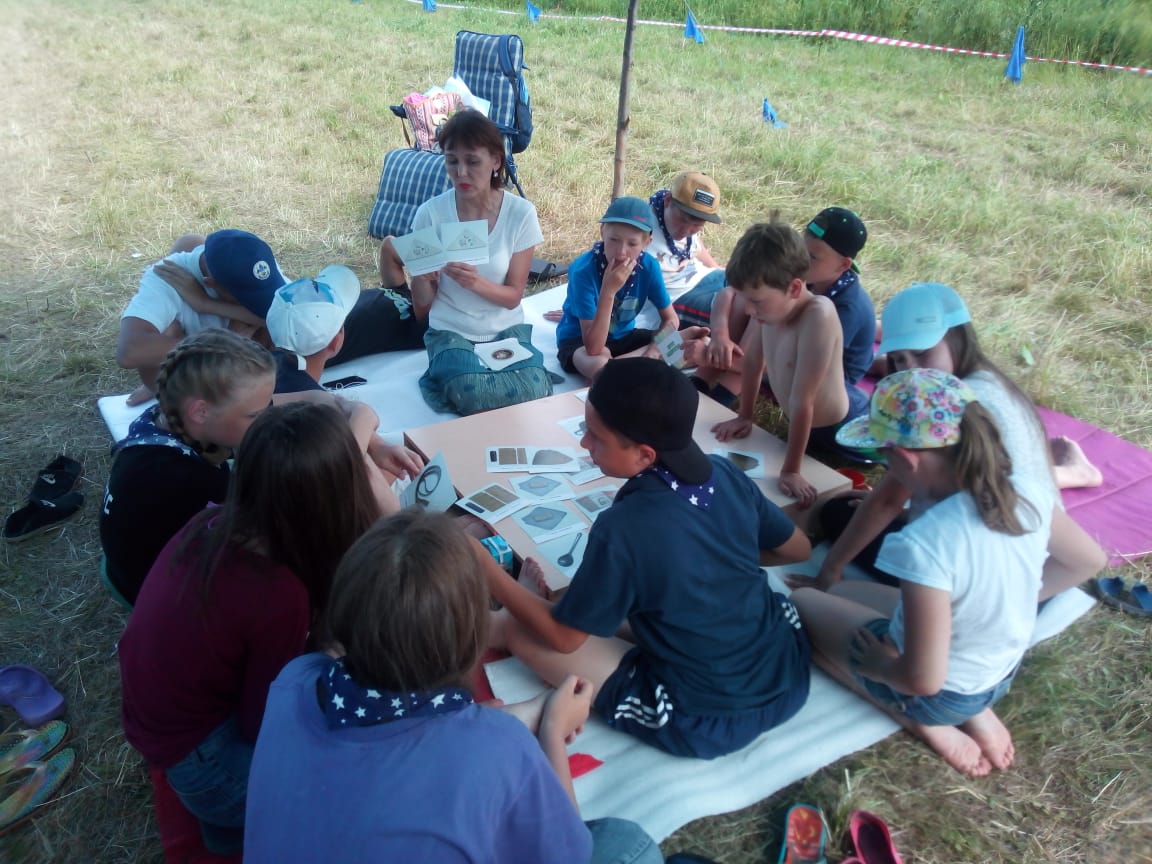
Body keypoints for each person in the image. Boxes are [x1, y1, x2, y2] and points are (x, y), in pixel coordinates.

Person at [245, 511, 663, 863]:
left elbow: (396, 749)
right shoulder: (496, 748)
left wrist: (507, 721)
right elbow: (569, 855)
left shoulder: (295, 679)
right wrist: (552, 731)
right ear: (472, 644)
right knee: (628, 843)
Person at [487, 358, 813, 759]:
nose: (584, 444)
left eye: (595, 436)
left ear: (644, 455)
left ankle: (507, 631)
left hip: (708, 715)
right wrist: (719, 556)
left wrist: (483, 567)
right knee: (603, 605)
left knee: (525, 631)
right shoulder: (724, 474)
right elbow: (797, 548)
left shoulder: (623, 528)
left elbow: (564, 639)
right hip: (785, 671)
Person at [118, 401, 387, 856]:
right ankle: (240, 815)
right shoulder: (277, 593)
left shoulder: (212, 521)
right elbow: (267, 722)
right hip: (205, 761)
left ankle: (230, 822)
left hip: (164, 727)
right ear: (335, 499)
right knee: (364, 775)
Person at [790, 369, 1052, 777]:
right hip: (996, 673)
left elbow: (923, 679)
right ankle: (976, 711)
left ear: (907, 458)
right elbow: (1079, 560)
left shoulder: (925, 543)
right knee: (846, 592)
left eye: (884, 456)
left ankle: (926, 723)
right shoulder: (1025, 489)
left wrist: (882, 667)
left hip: (937, 693)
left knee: (801, 605)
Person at [804, 282, 1106, 601]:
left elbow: (888, 500)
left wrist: (831, 568)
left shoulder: (943, 406)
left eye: (922, 353)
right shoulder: (988, 383)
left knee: (838, 514)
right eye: (900, 359)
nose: (912, 369)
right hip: (1041, 561)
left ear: (956, 338)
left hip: (990, 570)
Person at [100, 329, 276, 606]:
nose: (266, 420)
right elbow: (258, 534)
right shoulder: (189, 479)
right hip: (156, 594)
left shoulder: (158, 418)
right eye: (255, 415)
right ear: (201, 412)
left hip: (122, 567)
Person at [712, 220, 869, 508]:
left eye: (756, 301)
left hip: (842, 428)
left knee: (887, 443)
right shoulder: (771, 308)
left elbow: (804, 401)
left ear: (794, 288)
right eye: (746, 300)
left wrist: (791, 470)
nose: (749, 310)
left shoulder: (818, 315)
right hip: (801, 418)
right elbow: (753, 362)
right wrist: (745, 416)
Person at [406, 109, 552, 415]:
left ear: (495, 161)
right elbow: (422, 310)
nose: (461, 173)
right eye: (452, 161)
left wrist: (474, 282)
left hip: (504, 328)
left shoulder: (520, 214)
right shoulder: (430, 215)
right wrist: (423, 277)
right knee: (473, 393)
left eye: (472, 162)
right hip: (451, 330)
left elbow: (513, 297)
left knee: (535, 389)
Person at [685, 207, 873, 411]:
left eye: (812, 257)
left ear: (843, 265)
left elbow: (798, 365)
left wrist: (710, 356)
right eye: (802, 250)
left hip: (823, 379)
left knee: (764, 314)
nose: (802, 261)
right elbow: (730, 294)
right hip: (789, 352)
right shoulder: (808, 275)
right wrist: (720, 336)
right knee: (755, 305)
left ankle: (721, 397)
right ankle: (700, 382)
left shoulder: (845, 309)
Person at [116, 229, 287, 403]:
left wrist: (206, 304)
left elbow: (292, 317)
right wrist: (226, 343)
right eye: (246, 297)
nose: (256, 301)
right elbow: (129, 351)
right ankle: (169, 397)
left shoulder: (252, 262)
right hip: (194, 379)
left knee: (279, 329)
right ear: (210, 283)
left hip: (246, 370)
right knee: (166, 329)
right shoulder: (166, 278)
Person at [554, 197, 678, 380]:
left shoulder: (649, 267)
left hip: (624, 337)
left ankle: (629, 365)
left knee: (679, 348)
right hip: (581, 342)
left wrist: (654, 349)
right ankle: (634, 366)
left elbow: (671, 319)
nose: (621, 251)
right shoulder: (583, 270)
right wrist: (608, 291)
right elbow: (593, 347)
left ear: (647, 243)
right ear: (602, 232)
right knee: (599, 364)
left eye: (632, 244)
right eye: (614, 240)